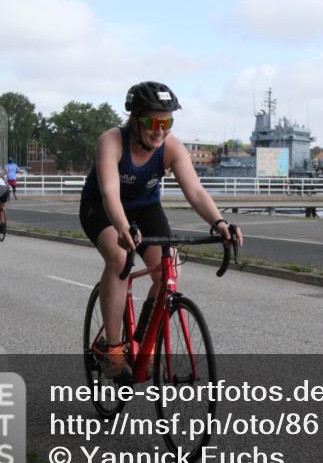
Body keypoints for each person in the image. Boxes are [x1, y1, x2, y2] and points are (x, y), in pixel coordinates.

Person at [80, 81, 244, 382]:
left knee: (170, 270)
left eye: (167, 122)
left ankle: (145, 343)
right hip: (103, 208)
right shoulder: (112, 141)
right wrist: (121, 226)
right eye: (152, 122)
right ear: (134, 118)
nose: (160, 130)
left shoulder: (171, 147)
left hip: (145, 209)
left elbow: (194, 191)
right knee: (118, 258)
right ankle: (113, 350)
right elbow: (109, 193)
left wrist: (219, 223)